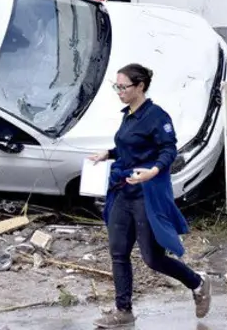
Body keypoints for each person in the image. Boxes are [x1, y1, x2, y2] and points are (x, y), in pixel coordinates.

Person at [89, 63, 211, 328]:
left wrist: (152, 171)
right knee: (118, 252)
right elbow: (129, 147)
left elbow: (169, 150)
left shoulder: (157, 117)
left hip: (147, 194)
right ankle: (124, 311)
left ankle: (198, 283)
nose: (119, 91)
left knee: (152, 258)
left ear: (140, 86)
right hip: (124, 191)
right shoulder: (129, 115)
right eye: (117, 87)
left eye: (123, 87)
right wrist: (108, 154)